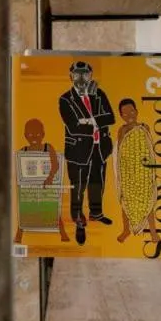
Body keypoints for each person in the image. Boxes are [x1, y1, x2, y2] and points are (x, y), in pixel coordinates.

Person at [58, 61, 115, 244]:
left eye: (85, 74)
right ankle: (78, 221)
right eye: (77, 74)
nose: (81, 78)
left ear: (90, 76)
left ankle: (96, 213)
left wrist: (87, 120)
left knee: (97, 182)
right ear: (71, 77)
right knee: (78, 187)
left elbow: (111, 118)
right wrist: (95, 122)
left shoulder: (99, 94)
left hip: (100, 146)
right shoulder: (65, 99)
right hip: (78, 149)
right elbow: (73, 127)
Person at [14, 119, 68, 244]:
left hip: (48, 185)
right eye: (30, 134)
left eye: (37, 134)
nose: (34, 137)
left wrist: (49, 178)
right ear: (25, 135)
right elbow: (19, 170)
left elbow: (55, 164)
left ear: (43, 134)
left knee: (53, 207)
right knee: (25, 208)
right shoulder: (23, 151)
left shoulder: (48, 148)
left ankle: (62, 232)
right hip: (30, 188)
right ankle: (19, 234)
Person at [115, 98, 158, 245]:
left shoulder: (144, 127)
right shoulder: (122, 130)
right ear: (121, 116)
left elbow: (149, 148)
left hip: (142, 172)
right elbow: (120, 151)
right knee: (125, 202)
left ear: (137, 111)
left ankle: (153, 231)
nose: (129, 115)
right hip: (129, 173)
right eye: (125, 113)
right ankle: (126, 229)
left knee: (148, 200)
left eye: (131, 111)